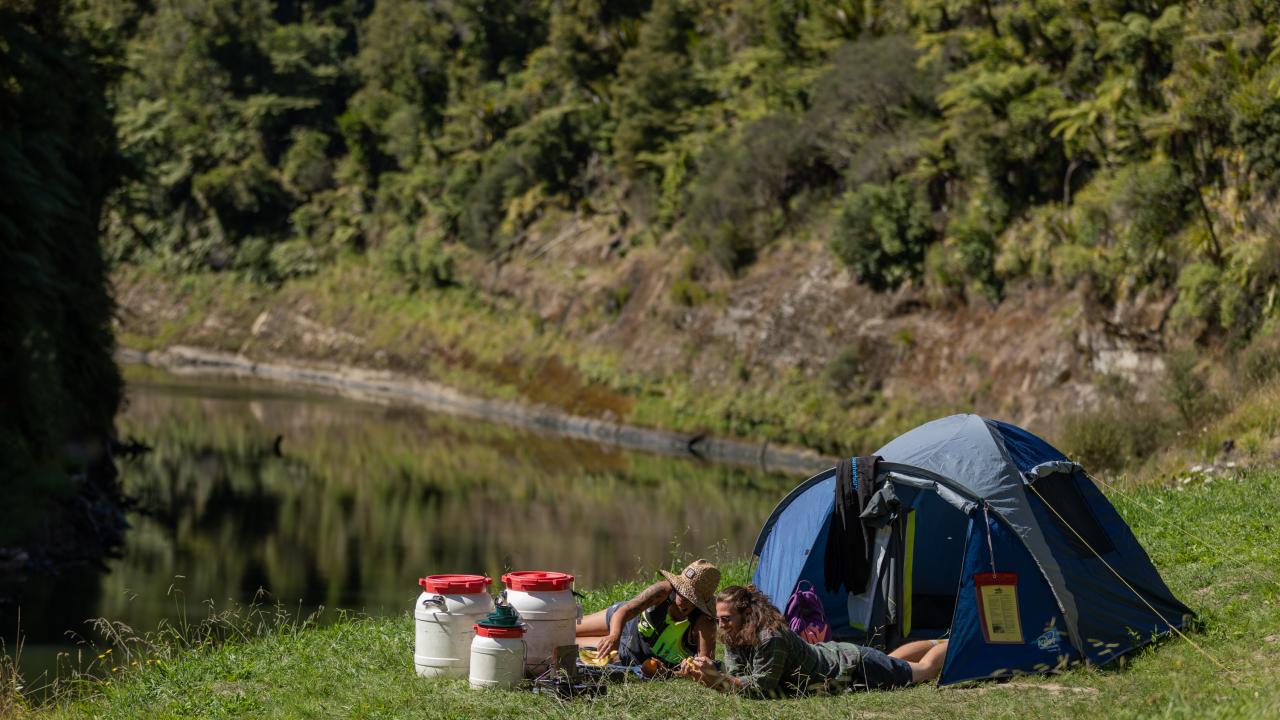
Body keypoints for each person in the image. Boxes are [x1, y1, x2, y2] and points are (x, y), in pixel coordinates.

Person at [679, 584, 948, 697]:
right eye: (718, 618)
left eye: (726, 618)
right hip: (838, 656)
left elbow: (761, 688)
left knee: (920, 672)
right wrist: (710, 672)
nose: (721, 624)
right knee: (891, 662)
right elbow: (739, 675)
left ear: (746, 612)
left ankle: (958, 644)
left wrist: (716, 680)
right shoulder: (735, 633)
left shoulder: (769, 636)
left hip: (852, 667)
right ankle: (938, 642)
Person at [575, 559, 720, 669]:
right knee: (565, 628)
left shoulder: (704, 623)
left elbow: (705, 667)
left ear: (700, 601)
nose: (681, 594)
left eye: (689, 595)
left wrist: (675, 672)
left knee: (563, 644)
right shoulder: (663, 591)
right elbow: (625, 611)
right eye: (680, 587)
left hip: (630, 652)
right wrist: (614, 636)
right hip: (623, 622)